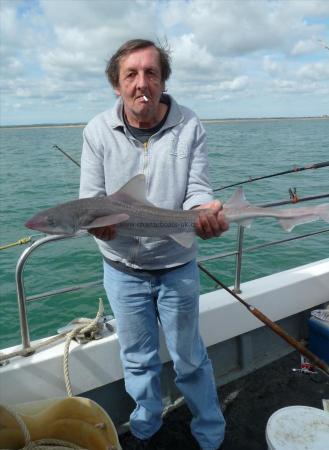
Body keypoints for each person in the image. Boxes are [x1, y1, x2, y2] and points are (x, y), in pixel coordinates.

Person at [80, 39, 229, 450]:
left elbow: (198, 190)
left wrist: (204, 212)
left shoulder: (189, 124)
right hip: (121, 271)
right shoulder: (97, 131)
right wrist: (97, 225)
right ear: (117, 84)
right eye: (131, 74)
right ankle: (145, 429)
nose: (142, 83)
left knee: (190, 358)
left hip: (177, 263)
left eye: (151, 73)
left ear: (163, 81)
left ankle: (211, 434)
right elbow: (91, 196)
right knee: (137, 361)